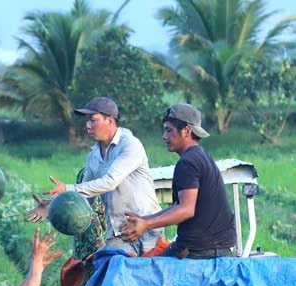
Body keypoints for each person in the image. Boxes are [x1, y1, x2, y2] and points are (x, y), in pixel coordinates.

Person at [26, 96, 162, 255]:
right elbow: (85, 198)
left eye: (93, 120)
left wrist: (67, 188)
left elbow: (110, 182)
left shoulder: (130, 145)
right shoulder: (94, 155)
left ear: (109, 120)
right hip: (118, 233)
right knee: (116, 271)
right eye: (87, 121)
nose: (88, 125)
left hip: (146, 227)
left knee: (150, 270)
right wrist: (53, 207)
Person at [120, 103, 237, 259]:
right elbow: (179, 205)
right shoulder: (200, 155)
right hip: (218, 247)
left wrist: (146, 225)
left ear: (186, 131)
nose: (164, 136)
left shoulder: (187, 162)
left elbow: (186, 209)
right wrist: (143, 220)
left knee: (144, 269)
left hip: (200, 252)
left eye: (169, 130)